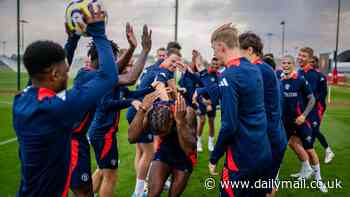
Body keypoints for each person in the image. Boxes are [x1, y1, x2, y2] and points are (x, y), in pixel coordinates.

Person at [12, 10, 118, 197]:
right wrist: (99, 32)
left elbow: (52, 73)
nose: (68, 73)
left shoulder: (22, 99)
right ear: (54, 74)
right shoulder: (57, 109)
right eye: (65, 70)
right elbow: (108, 76)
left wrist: (74, 37)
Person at [208, 23, 272, 197]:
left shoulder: (228, 75)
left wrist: (214, 157)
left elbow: (229, 125)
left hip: (241, 158)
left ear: (221, 46)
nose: (213, 54)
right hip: (262, 152)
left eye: (213, 48)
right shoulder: (255, 68)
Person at [88, 24, 152, 197]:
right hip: (103, 132)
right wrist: (131, 102)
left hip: (101, 131)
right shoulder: (104, 77)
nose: (129, 65)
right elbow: (106, 104)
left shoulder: (111, 78)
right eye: (127, 62)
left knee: (102, 170)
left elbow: (131, 91)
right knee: (111, 176)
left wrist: (151, 89)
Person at [127, 48, 182, 197]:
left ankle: (143, 182)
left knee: (141, 151)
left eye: (177, 63)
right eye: (172, 61)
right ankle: (138, 192)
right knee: (149, 152)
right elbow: (160, 87)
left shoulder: (163, 69)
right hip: (141, 113)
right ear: (164, 59)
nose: (174, 65)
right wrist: (170, 105)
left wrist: (175, 93)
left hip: (137, 111)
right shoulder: (161, 71)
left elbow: (172, 89)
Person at [239, 32, 287, 197]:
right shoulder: (263, 69)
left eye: (240, 51)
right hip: (272, 138)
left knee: (261, 190)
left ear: (250, 50)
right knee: (265, 188)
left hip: (269, 141)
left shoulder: (258, 69)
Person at [128, 92, 197, 197]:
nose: (160, 136)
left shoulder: (187, 112)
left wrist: (180, 122)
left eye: (164, 133)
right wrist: (142, 110)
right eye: (157, 134)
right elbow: (131, 138)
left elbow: (189, 149)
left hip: (185, 156)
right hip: (165, 151)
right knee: (153, 194)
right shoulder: (152, 112)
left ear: (171, 119)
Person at [280, 55, 327, 192]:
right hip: (285, 123)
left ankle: (319, 180)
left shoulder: (300, 80)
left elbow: (312, 99)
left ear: (293, 65)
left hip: (300, 122)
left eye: (289, 63)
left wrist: (304, 115)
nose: (286, 65)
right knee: (282, 148)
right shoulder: (280, 81)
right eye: (284, 63)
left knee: (310, 150)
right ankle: (277, 177)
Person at [309, 56, 335, 164]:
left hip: (318, 107)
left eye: (313, 61)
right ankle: (311, 155)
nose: (311, 63)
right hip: (309, 107)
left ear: (316, 63)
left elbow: (323, 93)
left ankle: (328, 151)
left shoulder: (320, 76)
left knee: (314, 130)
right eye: (310, 61)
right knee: (310, 130)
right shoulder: (307, 75)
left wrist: (313, 101)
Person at [195, 56, 220, 152]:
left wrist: (211, 102)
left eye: (217, 65)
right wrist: (205, 102)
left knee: (211, 122)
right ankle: (198, 141)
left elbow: (218, 92)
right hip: (203, 101)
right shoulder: (204, 74)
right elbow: (198, 90)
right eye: (213, 64)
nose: (215, 66)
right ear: (210, 64)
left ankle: (211, 142)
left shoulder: (219, 76)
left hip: (212, 102)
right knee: (202, 121)